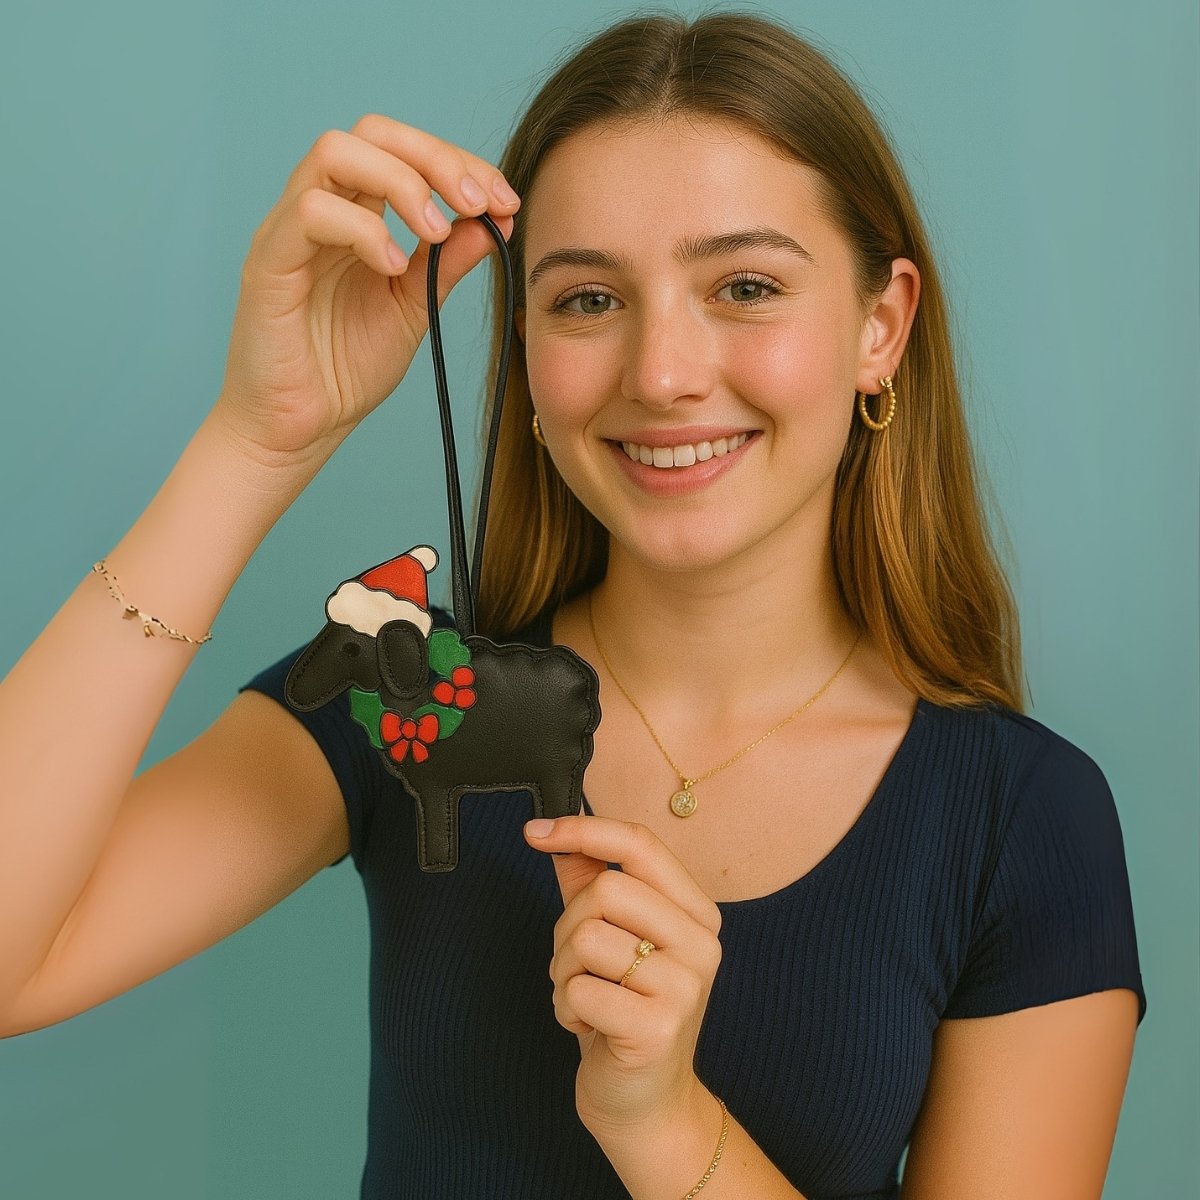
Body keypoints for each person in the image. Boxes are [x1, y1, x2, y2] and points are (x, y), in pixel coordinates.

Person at [0, 11, 1146, 1199]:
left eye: (744, 285)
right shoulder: (417, 698)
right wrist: (256, 443)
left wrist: (660, 1122)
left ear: (880, 326)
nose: (660, 374)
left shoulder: (1024, 817)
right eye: (587, 300)